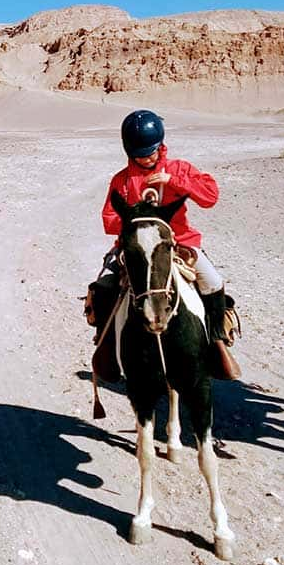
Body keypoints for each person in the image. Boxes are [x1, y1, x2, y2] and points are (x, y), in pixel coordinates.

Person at [98, 109, 240, 377]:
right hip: (136, 248)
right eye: (140, 153)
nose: (146, 157)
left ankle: (216, 340)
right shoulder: (122, 181)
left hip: (180, 243)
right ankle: (105, 348)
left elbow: (210, 197)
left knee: (213, 281)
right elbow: (108, 219)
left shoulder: (178, 169)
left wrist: (173, 181)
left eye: (150, 151)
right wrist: (138, 225)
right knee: (103, 285)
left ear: (160, 145)